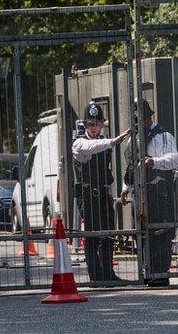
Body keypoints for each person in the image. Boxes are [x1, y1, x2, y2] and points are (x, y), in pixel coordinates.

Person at [121, 99, 178, 287]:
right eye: (136, 121)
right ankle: (147, 271)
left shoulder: (163, 136)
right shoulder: (133, 139)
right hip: (140, 193)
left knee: (161, 232)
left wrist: (154, 162)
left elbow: (174, 160)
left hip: (159, 191)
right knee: (143, 233)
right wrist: (125, 189)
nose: (140, 124)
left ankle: (161, 273)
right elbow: (130, 166)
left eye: (143, 120)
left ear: (149, 118)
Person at [72, 99, 131, 282]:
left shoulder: (105, 143)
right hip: (88, 196)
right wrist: (113, 141)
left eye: (98, 124)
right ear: (85, 125)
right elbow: (93, 147)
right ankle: (95, 276)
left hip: (103, 194)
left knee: (108, 234)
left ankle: (108, 273)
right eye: (91, 124)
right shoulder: (80, 144)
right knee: (92, 236)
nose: (94, 128)